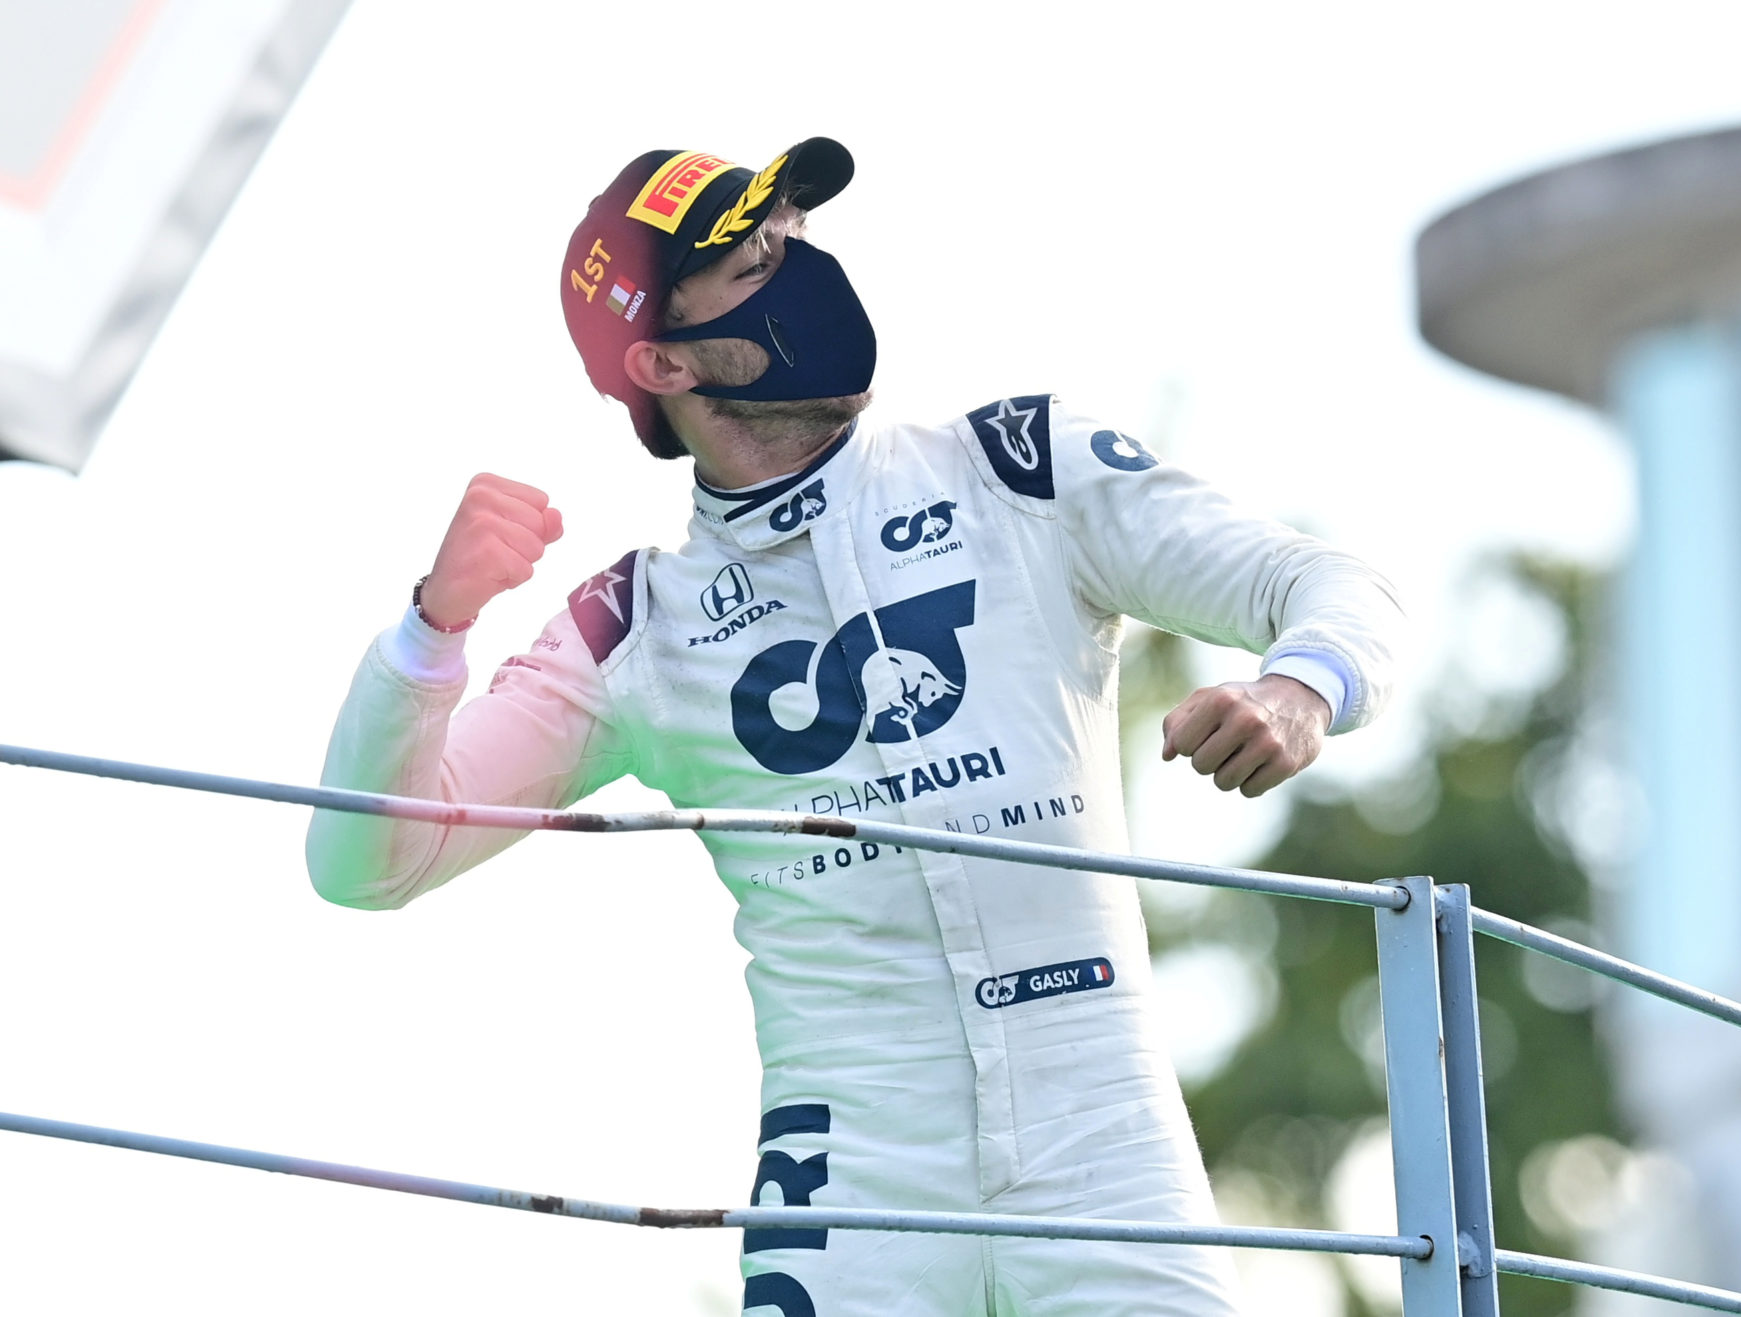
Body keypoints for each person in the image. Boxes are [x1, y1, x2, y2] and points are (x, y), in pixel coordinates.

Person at [306, 137, 1402, 1316]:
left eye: (795, 236)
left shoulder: (1018, 468)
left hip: (1107, 1131)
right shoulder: (632, 623)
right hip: (846, 1159)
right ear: (660, 358)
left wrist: (1302, 689)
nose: (803, 268)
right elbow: (367, 864)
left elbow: (1332, 587)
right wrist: (434, 630)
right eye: (753, 261)